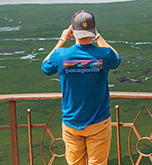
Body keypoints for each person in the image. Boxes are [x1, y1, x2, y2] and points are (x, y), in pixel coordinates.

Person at [41, 10, 120, 165]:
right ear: (94, 28)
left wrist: (63, 40)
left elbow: (45, 66)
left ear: (73, 30)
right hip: (99, 121)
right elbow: (116, 59)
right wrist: (97, 36)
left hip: (72, 122)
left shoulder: (61, 55)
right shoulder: (103, 55)